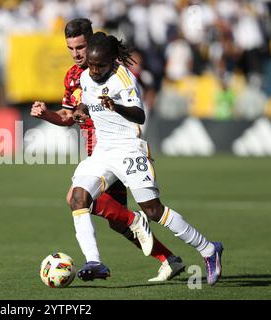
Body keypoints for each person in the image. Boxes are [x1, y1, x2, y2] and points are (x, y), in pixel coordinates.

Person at [31, 18, 185, 282]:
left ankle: (133, 227)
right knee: (115, 220)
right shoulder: (72, 76)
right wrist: (46, 114)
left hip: (118, 149)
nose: (76, 53)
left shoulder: (111, 71)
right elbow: (68, 116)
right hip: (98, 152)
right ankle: (169, 259)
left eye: (80, 47)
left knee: (77, 199)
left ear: (92, 43)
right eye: (70, 48)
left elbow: (131, 108)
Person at [71, 31, 223, 285]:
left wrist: (115, 106)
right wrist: (81, 110)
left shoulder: (124, 78)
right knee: (78, 198)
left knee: (153, 211)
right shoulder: (86, 76)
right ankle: (94, 262)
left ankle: (208, 249)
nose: (95, 70)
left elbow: (139, 115)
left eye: (101, 66)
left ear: (112, 61)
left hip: (130, 149)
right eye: (92, 64)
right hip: (104, 151)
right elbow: (88, 102)